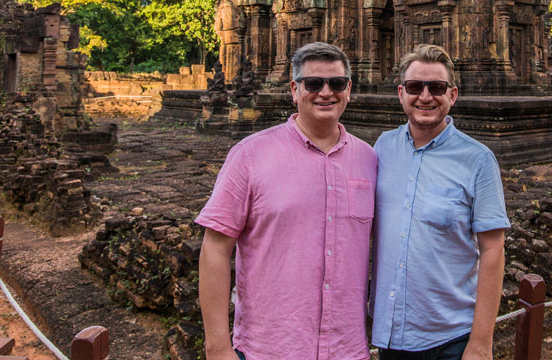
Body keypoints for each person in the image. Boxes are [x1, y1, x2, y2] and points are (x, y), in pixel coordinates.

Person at [196, 42, 376, 360]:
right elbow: (215, 247)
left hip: (348, 349)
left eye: (335, 83)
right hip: (270, 349)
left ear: (348, 89)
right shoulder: (250, 155)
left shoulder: (369, 159)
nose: (325, 92)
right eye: (313, 83)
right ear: (294, 89)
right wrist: (218, 348)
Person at [371, 44, 510, 359]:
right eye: (415, 87)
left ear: (453, 95)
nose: (425, 96)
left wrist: (480, 342)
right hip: (390, 336)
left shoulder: (478, 160)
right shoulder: (382, 149)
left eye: (436, 87)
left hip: (451, 339)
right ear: (401, 93)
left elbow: (492, 250)